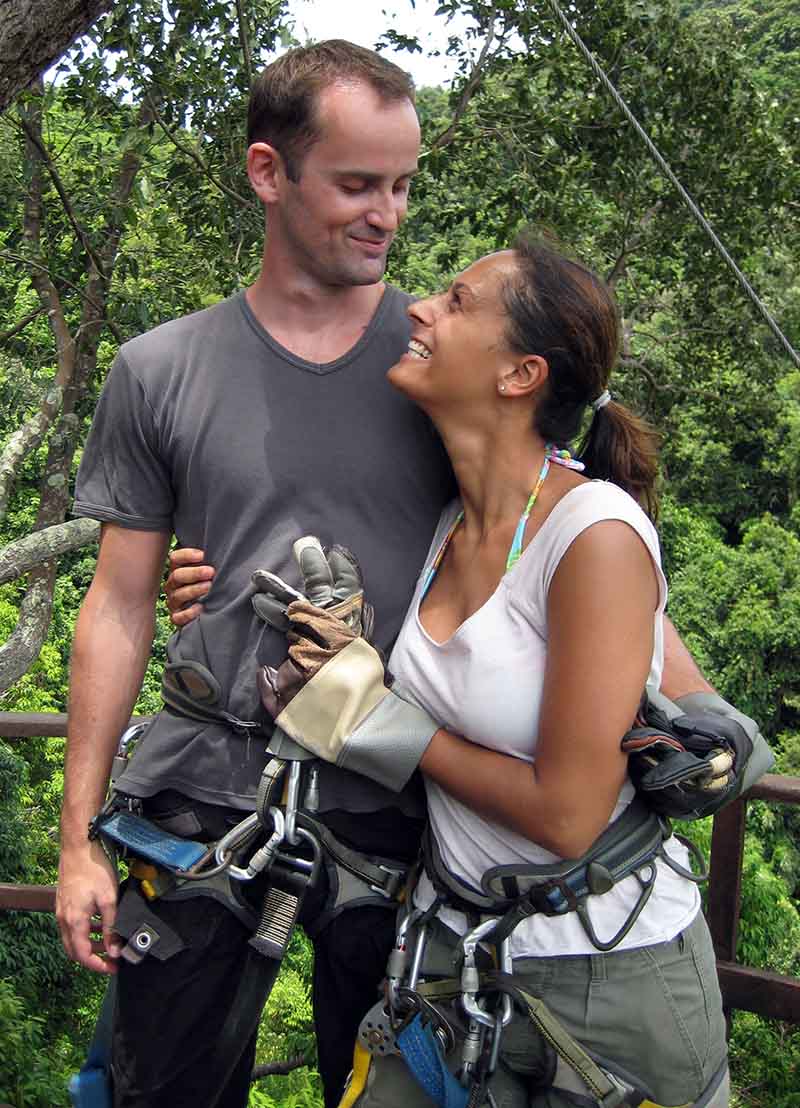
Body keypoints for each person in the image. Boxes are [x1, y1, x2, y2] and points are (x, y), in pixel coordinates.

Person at [60, 36, 725, 1108]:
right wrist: (79, 838)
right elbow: (119, 604)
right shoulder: (163, 369)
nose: (387, 214)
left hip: (396, 821)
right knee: (159, 1085)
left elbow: (570, 538)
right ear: (268, 173)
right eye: (357, 183)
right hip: (203, 795)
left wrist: (698, 714)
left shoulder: (439, 369)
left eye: (402, 185)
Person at [226, 234, 730, 1106]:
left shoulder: (594, 537)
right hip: (449, 958)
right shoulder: (449, 526)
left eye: (457, 302)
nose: (419, 308)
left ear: (519, 375)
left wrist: (376, 721)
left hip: (611, 978)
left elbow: (569, 815)